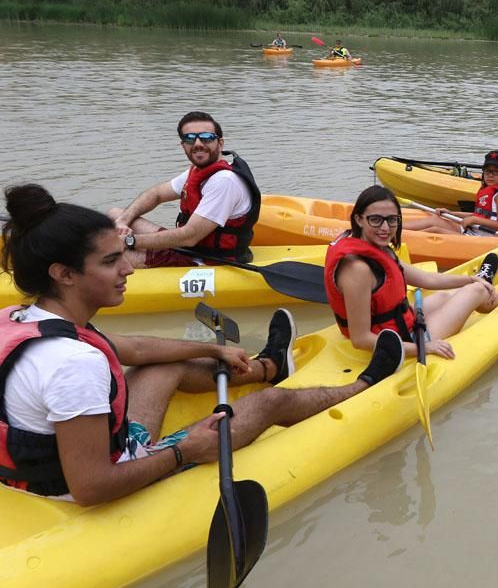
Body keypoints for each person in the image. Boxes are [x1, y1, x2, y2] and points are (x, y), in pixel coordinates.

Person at [0, 185, 406, 505]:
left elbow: (132, 350)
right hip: (85, 489)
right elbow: (92, 488)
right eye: (110, 262)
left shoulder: (24, 318)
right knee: (270, 405)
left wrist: (213, 350)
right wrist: (184, 452)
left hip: (64, 464)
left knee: (159, 365)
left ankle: (268, 366)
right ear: (64, 274)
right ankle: (362, 385)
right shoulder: (74, 365)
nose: (127, 268)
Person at [325, 186, 498, 355]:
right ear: (359, 219)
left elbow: (428, 279)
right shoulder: (357, 269)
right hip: (404, 340)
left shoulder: (374, 247)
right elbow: (360, 340)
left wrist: (471, 279)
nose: (385, 227)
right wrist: (423, 348)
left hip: (399, 323)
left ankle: (488, 287)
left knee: (449, 295)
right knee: (477, 292)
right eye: (376, 220)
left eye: (392, 220)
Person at [111, 111, 260, 268]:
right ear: (183, 145)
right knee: (114, 215)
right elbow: (156, 194)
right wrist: (122, 222)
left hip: (207, 261)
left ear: (220, 143)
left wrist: (130, 241)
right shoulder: (198, 171)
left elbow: (190, 236)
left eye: (206, 137)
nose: (197, 143)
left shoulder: (224, 181)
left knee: (106, 253)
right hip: (189, 249)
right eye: (190, 138)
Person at [405, 151, 498, 236]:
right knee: (435, 220)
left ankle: (401, 241)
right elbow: (480, 215)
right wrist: (452, 213)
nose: (490, 175)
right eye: (487, 171)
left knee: (435, 230)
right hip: (475, 231)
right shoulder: (492, 190)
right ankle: (396, 232)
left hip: (487, 237)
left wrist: (474, 220)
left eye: (496, 172)